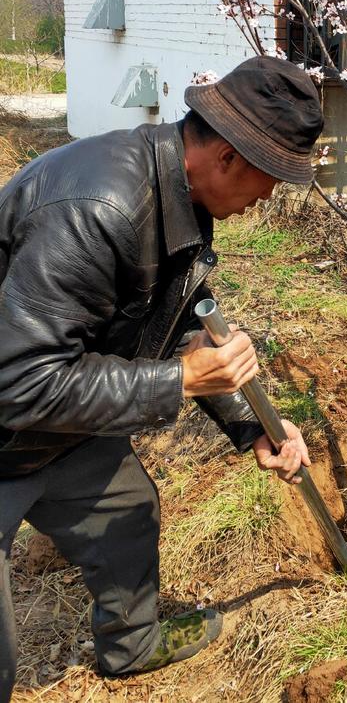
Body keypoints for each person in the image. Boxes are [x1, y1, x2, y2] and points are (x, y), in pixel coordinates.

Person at [0, 55, 325, 701]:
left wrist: (249, 423)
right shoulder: (99, 207)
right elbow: (18, 381)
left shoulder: (178, 194)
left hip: (55, 425)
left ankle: (133, 646)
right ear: (229, 157)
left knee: (127, 512)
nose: (269, 197)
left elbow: (169, 325)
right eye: (271, 178)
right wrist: (177, 381)